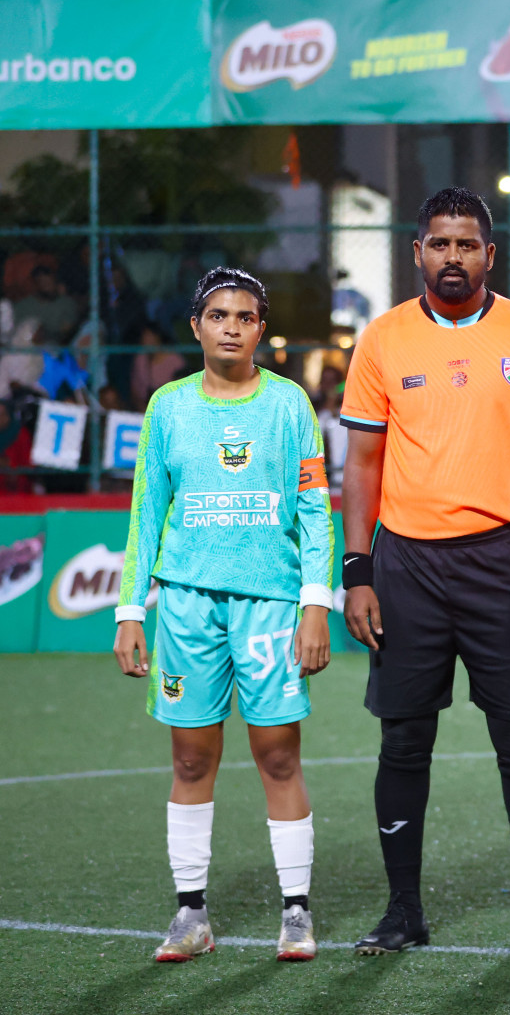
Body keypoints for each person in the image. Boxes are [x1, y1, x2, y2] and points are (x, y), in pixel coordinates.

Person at [341, 188, 510, 956]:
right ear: (417, 252)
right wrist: (358, 571)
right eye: (439, 244)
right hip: (407, 563)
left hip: (507, 560)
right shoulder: (382, 340)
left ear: (489, 255)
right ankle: (402, 910)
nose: (452, 257)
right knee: (403, 742)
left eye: (466, 245)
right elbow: (363, 465)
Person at [111, 267, 334, 962]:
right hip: (184, 605)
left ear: (261, 330)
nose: (231, 326)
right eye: (218, 315)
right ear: (196, 326)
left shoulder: (291, 404)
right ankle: (191, 915)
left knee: (277, 753)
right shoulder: (168, 407)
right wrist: (129, 609)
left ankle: (296, 913)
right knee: (188, 756)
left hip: (270, 605)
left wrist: (315, 604)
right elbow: (146, 509)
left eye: (244, 316)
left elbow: (315, 511)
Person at [12, 266, 79, 345]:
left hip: (54, 349)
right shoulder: (23, 306)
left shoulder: (67, 304)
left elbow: (66, 332)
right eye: (42, 282)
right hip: (25, 349)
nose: (47, 286)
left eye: (50, 282)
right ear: (35, 285)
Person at [130, 324, 187, 411]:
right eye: (144, 337)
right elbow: (135, 390)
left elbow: (183, 391)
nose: (147, 341)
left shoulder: (174, 359)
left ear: (158, 337)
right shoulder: (140, 358)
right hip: (144, 411)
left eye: (150, 336)